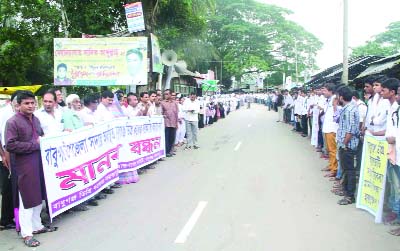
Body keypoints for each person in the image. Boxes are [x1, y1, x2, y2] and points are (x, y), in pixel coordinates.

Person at [6, 91, 57, 247]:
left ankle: (37, 226)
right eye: (26, 103)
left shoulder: (35, 119)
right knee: (26, 200)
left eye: (32, 103)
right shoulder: (13, 122)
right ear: (19, 105)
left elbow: (41, 136)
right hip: (23, 166)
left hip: (38, 163)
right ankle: (27, 234)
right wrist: (34, 145)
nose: (30, 106)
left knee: (37, 196)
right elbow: (10, 145)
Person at [336, 87, 360, 205]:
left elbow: (350, 130)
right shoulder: (347, 108)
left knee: (349, 170)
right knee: (346, 169)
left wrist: (344, 144)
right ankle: (346, 191)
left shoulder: (350, 110)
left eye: (337, 96)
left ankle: (350, 195)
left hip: (348, 145)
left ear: (341, 97)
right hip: (345, 144)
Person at [321, 83, 339, 177]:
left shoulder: (335, 99)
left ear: (331, 91)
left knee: (333, 150)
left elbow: (336, 113)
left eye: (324, 90)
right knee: (329, 149)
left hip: (332, 128)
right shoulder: (328, 99)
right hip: (327, 128)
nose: (322, 92)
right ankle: (331, 165)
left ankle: (334, 169)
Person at [161, 89, 179, 157]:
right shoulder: (162, 103)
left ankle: (171, 150)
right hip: (166, 123)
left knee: (172, 138)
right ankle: (167, 151)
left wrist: (177, 123)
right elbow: (161, 113)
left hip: (173, 122)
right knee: (167, 138)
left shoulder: (175, 103)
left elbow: (176, 113)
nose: (166, 95)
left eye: (167, 94)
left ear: (171, 95)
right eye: (165, 94)